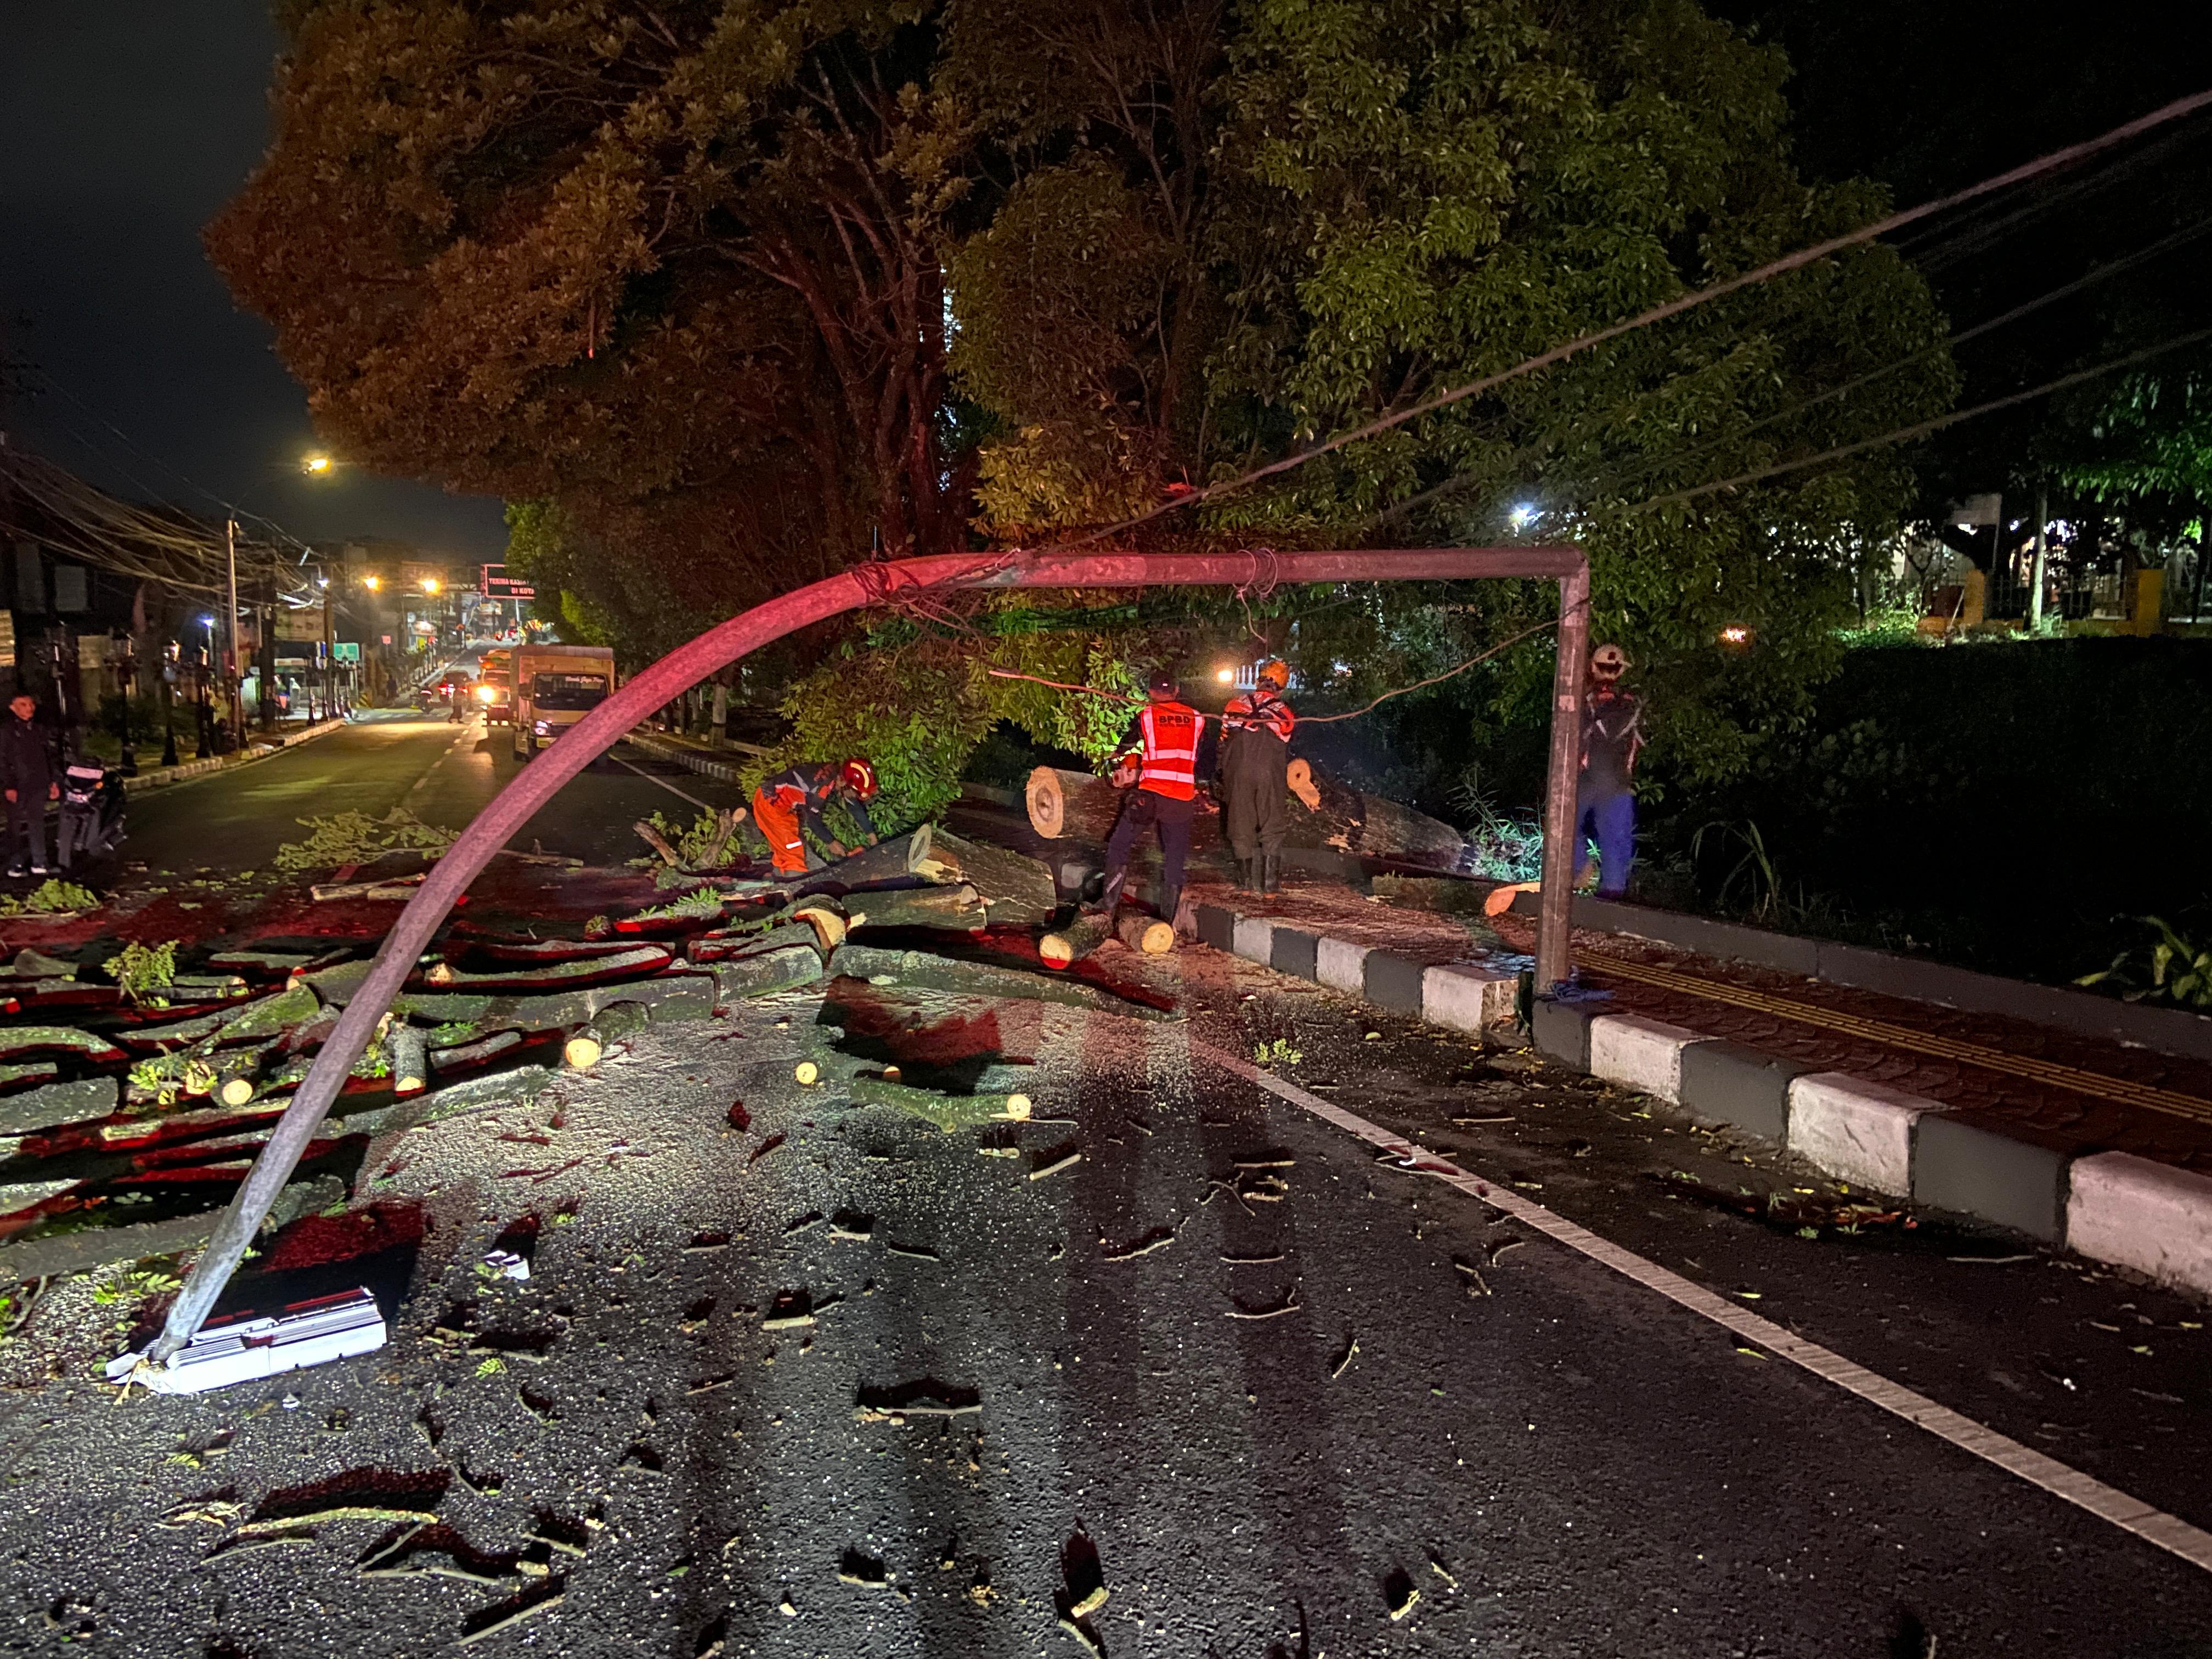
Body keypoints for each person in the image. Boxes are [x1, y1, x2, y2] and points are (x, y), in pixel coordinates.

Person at [1094, 670, 1203, 922]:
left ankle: (1108, 907)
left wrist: (1115, 759)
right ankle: (1167, 922)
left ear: (1152, 693)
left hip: (1151, 796)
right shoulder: (1197, 718)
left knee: (1119, 844)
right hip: (1183, 798)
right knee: (1174, 859)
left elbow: (1125, 745)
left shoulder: (1146, 714)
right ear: (1176, 691)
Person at [1218, 658, 1295, 894]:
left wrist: (1220, 772)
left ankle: (1244, 885)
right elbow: (1285, 737)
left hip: (1238, 771)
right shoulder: (1284, 712)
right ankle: (1271, 886)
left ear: (1258, 681)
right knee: (1272, 822)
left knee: (1240, 823)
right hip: (1269, 773)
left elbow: (1223, 739)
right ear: (1280, 687)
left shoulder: (1233, 704)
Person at [1576, 642, 1643, 899]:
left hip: (1587, 778)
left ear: (1594, 668)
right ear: (1620, 671)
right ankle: (1612, 895)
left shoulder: (1584, 700)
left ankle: (1579, 868)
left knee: (1563, 826)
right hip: (1618, 781)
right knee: (1616, 839)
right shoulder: (1632, 704)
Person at [751, 757, 881, 876]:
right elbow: (812, 819)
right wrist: (830, 841)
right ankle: (797, 887)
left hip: (776, 803)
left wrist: (871, 835)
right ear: (843, 783)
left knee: (783, 852)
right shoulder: (821, 787)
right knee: (793, 851)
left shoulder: (832, 772)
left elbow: (852, 804)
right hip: (771, 805)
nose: (853, 797)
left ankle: (780, 885)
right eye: (853, 793)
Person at [0, 691, 60, 878]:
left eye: (30, 704)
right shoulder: (6, 732)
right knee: (15, 826)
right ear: (13, 708)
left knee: (37, 823)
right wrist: (8, 786)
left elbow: (49, 757)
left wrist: (53, 782)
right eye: (23, 705)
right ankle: (15, 863)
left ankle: (39, 861)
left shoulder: (39, 730)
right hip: (17, 785)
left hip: (38, 783)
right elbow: (2, 761)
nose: (29, 709)